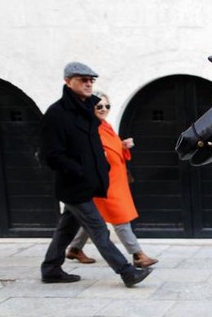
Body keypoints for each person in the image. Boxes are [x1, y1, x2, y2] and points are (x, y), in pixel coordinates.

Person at [39, 62, 152, 287]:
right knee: (99, 229)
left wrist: (101, 170)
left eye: (91, 80)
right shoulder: (57, 113)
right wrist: (80, 172)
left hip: (90, 183)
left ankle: (51, 268)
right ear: (68, 82)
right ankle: (127, 272)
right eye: (83, 79)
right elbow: (51, 155)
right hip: (74, 186)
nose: (89, 83)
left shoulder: (87, 111)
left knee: (66, 229)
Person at [65, 91, 158, 268]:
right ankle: (138, 255)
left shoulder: (104, 126)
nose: (103, 109)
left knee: (92, 219)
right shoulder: (88, 128)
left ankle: (75, 248)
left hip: (115, 180)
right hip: (104, 183)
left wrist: (123, 146)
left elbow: (111, 150)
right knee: (120, 217)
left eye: (107, 106)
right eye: (99, 106)